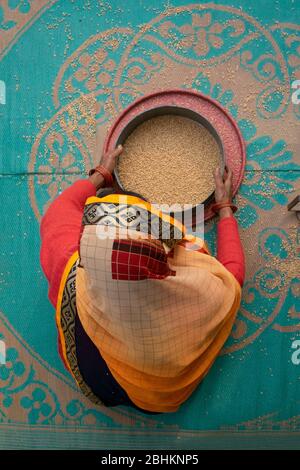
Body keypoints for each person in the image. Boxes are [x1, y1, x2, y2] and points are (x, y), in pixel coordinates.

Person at [40, 144, 245, 414]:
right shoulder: (200, 286)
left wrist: (102, 173)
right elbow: (233, 274)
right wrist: (225, 208)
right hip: (159, 398)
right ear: (162, 247)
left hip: (97, 379)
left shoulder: (67, 254)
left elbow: (61, 208)